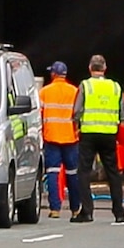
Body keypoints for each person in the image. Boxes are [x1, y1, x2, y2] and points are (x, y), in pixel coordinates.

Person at [74, 54, 124, 224]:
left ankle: (87, 212)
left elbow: (77, 111)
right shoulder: (115, 87)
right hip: (109, 134)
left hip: (89, 134)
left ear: (90, 68)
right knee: (113, 173)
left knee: (83, 172)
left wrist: (77, 125)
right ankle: (119, 212)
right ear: (105, 69)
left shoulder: (85, 85)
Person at [39, 61, 82, 220]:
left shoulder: (44, 92)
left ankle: (55, 209)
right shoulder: (75, 91)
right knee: (73, 174)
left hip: (51, 138)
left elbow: (38, 114)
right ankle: (76, 209)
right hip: (70, 138)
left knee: (52, 173)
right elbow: (79, 113)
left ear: (53, 74)